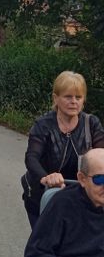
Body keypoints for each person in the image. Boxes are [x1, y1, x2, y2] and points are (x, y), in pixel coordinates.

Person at [22, 71, 104, 228]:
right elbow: (31, 157)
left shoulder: (91, 124)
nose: (74, 102)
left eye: (78, 97)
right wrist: (46, 177)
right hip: (44, 195)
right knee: (47, 238)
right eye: (68, 97)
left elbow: (102, 155)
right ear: (56, 98)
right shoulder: (43, 125)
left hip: (80, 195)